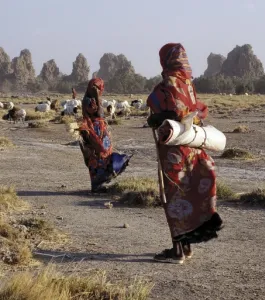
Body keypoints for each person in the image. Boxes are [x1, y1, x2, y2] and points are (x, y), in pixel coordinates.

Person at [147, 43, 223, 264]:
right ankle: (186, 247)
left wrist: (156, 119)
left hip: (175, 149)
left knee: (174, 196)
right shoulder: (188, 82)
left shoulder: (171, 80)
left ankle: (178, 250)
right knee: (186, 195)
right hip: (191, 146)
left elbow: (177, 113)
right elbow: (192, 111)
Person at [79, 78, 131, 193]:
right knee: (97, 155)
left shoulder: (92, 99)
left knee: (103, 156)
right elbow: (99, 113)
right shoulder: (88, 100)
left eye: (98, 88)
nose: (96, 90)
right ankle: (96, 184)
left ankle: (100, 183)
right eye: (94, 87)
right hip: (94, 132)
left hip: (100, 132)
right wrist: (97, 97)